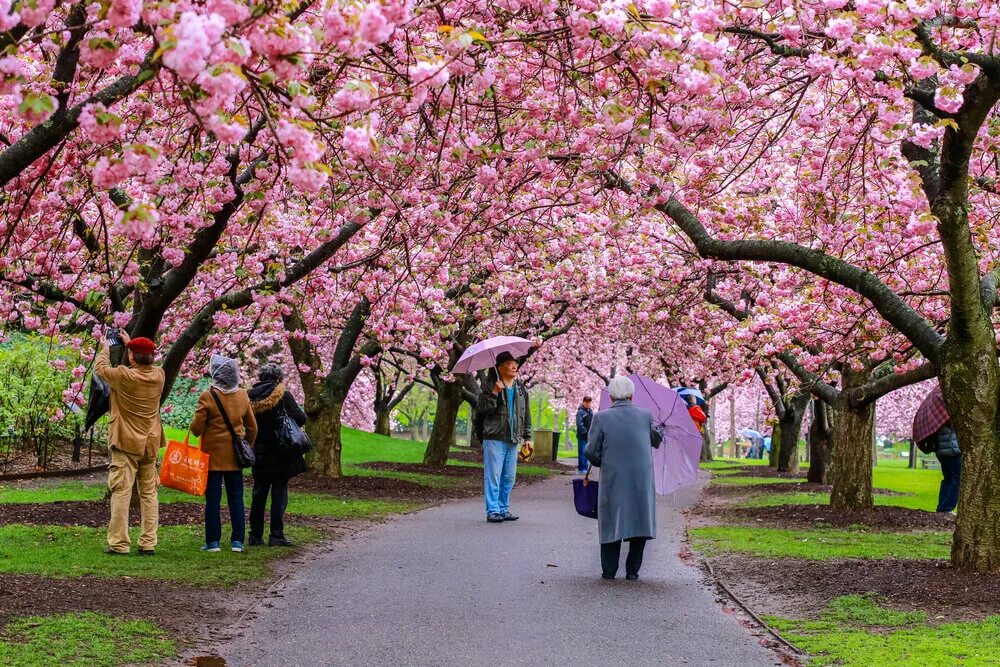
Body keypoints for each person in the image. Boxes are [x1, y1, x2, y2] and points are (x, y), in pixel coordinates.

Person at [95, 331, 165, 556]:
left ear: (132, 357)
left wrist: (105, 346)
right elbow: (145, 360)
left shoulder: (124, 376)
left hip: (126, 441)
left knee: (121, 491)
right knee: (149, 493)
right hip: (150, 442)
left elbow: (100, 369)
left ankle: (119, 543)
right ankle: (148, 542)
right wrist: (130, 345)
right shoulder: (159, 375)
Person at [586, 376, 662, 580]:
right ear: (631, 395)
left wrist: (604, 459)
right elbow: (655, 441)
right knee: (640, 518)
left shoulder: (601, 417)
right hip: (641, 477)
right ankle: (632, 571)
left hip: (614, 476)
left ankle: (609, 571)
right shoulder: (646, 416)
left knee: (611, 518)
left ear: (611, 396)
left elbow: (592, 452)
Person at [190, 354, 257, 553]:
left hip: (211, 458)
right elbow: (252, 428)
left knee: (213, 500)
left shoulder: (208, 396)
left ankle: (213, 542)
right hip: (234, 457)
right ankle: (237, 541)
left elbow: (196, 429)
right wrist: (247, 446)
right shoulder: (243, 396)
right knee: (236, 499)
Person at [248, 363, 308, 547]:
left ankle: (255, 536)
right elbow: (301, 418)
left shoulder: (249, 396)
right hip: (281, 451)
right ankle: (276, 535)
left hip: (258, 452)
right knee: (279, 492)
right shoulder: (283, 395)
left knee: (259, 493)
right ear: (278, 378)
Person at [476, 351, 532, 524]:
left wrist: (528, 437)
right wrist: (494, 392)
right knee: (493, 475)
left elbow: (526, 415)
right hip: (494, 437)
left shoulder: (521, 389)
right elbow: (483, 410)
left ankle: (503, 508)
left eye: (515, 363)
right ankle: (492, 510)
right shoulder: (490, 386)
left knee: (508, 477)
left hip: (513, 439)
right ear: (499, 368)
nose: (514, 366)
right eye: (509, 363)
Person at [931, 422, 961, 513]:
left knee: (948, 479)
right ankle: (947, 508)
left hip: (942, 452)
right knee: (956, 480)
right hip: (952, 450)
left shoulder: (937, 419)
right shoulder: (949, 417)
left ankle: (942, 507)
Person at [575, 396, 594, 475]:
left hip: (589, 436)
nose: (587, 403)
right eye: (586, 402)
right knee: (582, 452)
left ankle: (585, 468)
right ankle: (581, 468)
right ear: (583, 402)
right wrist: (586, 431)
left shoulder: (590, 412)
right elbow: (579, 424)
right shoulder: (580, 412)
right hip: (582, 436)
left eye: (589, 402)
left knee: (587, 453)